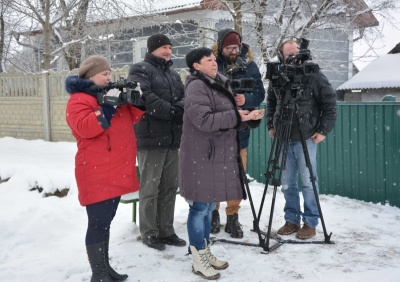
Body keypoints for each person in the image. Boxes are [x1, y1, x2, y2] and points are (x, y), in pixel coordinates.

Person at [180, 47, 264, 280]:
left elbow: (227, 118)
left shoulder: (221, 83)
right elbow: (204, 120)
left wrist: (246, 117)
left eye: (214, 59)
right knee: (199, 208)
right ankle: (198, 257)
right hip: (201, 156)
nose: (214, 62)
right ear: (196, 66)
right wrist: (239, 117)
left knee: (207, 207)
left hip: (215, 156)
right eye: (208, 60)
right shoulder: (197, 86)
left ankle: (205, 250)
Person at [65, 55, 144, 281]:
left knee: (106, 223)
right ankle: (98, 273)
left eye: (110, 73)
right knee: (98, 224)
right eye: (104, 74)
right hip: (96, 171)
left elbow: (134, 117)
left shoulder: (110, 96)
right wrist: (108, 105)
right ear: (91, 76)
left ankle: (106, 269)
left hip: (116, 169)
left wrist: (136, 98)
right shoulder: (79, 100)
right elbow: (85, 127)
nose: (109, 78)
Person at [266, 39, 337, 240]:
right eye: (289, 54)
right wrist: (271, 124)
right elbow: (271, 102)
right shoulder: (277, 76)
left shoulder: (313, 74)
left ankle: (311, 222)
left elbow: (330, 103)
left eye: (296, 52)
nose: (293, 57)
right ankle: (291, 220)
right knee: (287, 182)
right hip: (283, 137)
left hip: (306, 137)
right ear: (281, 55)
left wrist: (323, 130)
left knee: (308, 182)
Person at [127, 33, 186, 251]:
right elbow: (144, 97)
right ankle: (150, 232)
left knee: (169, 187)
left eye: (170, 47)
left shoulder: (173, 74)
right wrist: (171, 111)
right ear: (153, 49)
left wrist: (178, 108)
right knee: (150, 188)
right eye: (164, 47)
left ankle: (166, 230)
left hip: (172, 139)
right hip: (151, 139)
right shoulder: (139, 69)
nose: (168, 51)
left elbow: (184, 96)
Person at [210, 28, 265, 238]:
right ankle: (213, 214)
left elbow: (259, 92)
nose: (234, 51)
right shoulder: (212, 64)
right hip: (216, 132)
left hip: (240, 133)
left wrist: (246, 100)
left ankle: (232, 217)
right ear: (221, 46)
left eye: (236, 47)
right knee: (214, 177)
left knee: (236, 177)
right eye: (229, 47)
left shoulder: (249, 66)